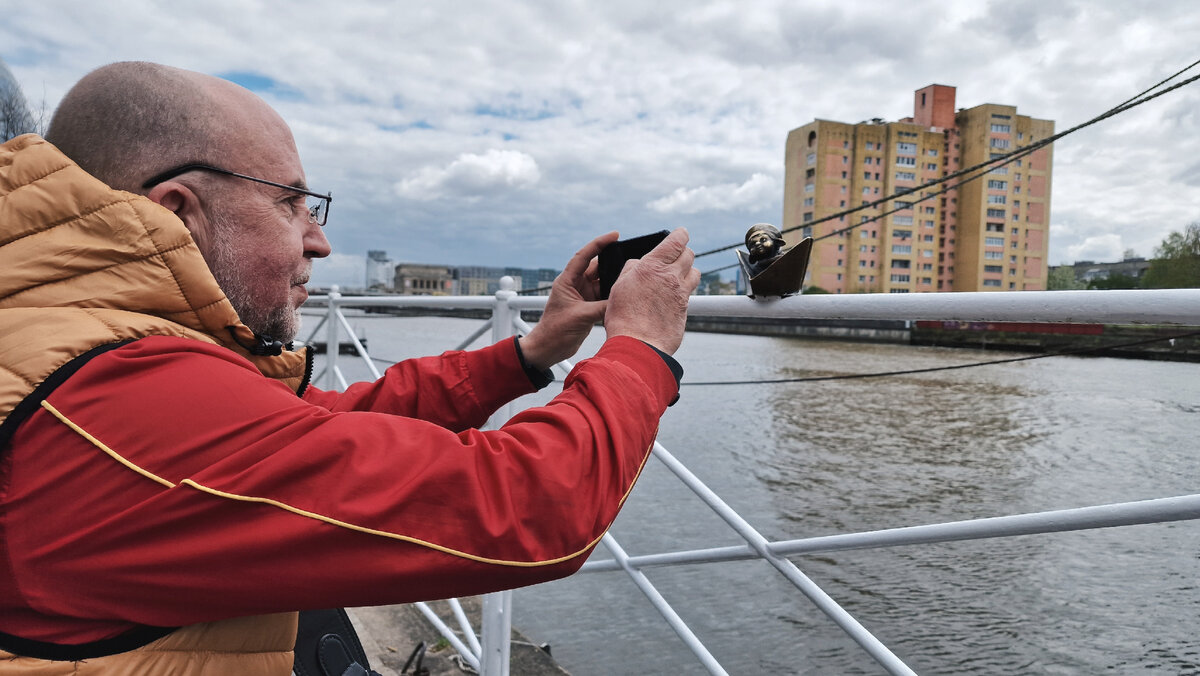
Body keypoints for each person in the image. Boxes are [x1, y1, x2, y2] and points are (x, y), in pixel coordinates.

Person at [0, 62, 699, 674]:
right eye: (290, 202)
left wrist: (532, 350)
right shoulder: (111, 400)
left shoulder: (77, 344)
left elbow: (324, 425)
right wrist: (640, 346)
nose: (320, 241)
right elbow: (529, 505)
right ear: (182, 213)